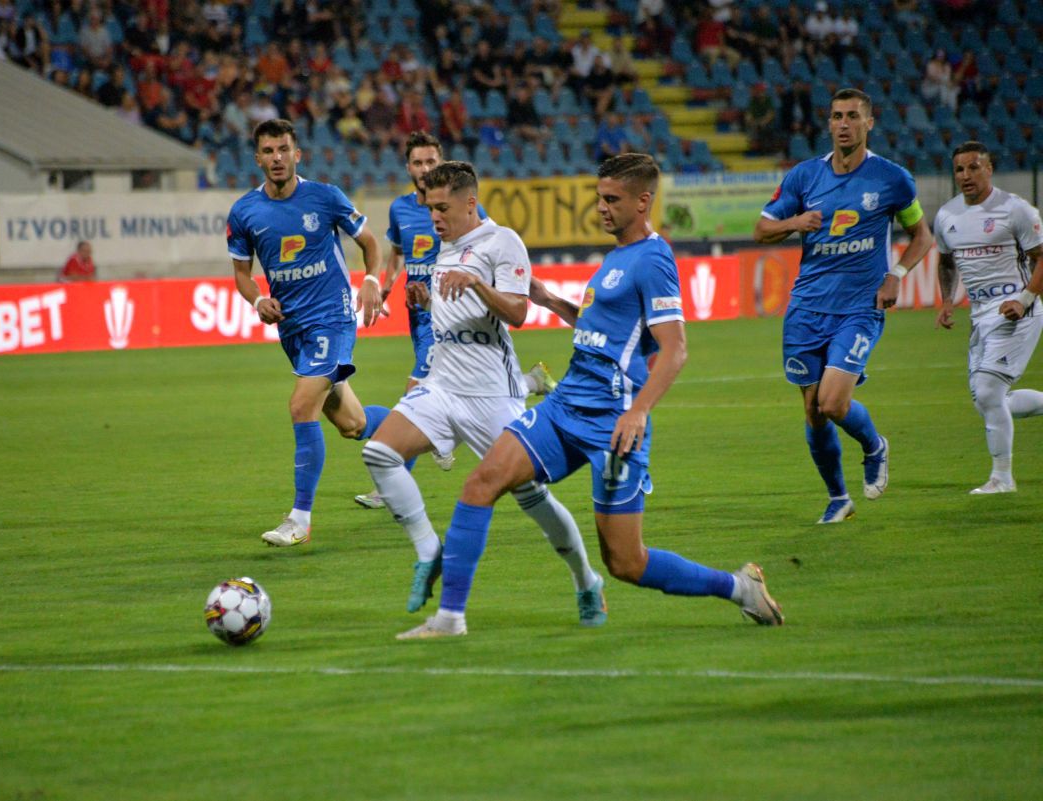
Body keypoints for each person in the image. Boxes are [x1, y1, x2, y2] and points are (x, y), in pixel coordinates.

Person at [398, 153, 784, 639]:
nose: (600, 208)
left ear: (643, 202)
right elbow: (599, 330)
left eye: (612, 200)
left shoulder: (653, 259)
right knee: (480, 484)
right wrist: (550, 300)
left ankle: (737, 588)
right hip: (565, 406)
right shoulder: (616, 257)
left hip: (613, 421)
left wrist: (639, 411)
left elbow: (674, 348)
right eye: (599, 198)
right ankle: (450, 618)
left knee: (625, 561)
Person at [362, 160, 606, 624]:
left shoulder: (501, 241)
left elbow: (516, 311)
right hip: (442, 384)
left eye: (442, 208)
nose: (434, 217)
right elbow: (460, 310)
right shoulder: (445, 247)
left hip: (493, 395)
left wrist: (476, 281)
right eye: (430, 208)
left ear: (470, 203)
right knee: (379, 453)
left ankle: (585, 580)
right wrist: (427, 299)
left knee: (531, 497)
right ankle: (428, 550)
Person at [753, 88, 934, 524]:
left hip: (858, 307)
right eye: (837, 116)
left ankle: (874, 445)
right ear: (829, 123)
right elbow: (762, 229)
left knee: (833, 403)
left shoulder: (892, 179)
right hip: (806, 309)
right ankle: (838, 498)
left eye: (853, 116)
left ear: (869, 123)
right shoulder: (803, 177)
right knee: (814, 411)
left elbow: (922, 236)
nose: (844, 123)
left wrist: (897, 275)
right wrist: (796, 221)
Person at [353, 131, 557, 510]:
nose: (425, 168)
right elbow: (397, 253)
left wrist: (513, 288)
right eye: (418, 162)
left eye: (432, 162)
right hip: (428, 316)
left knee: (414, 394)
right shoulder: (403, 211)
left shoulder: (473, 224)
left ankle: (406, 465)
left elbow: (495, 263)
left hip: (469, 340)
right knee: (420, 404)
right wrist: (392, 287)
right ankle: (524, 385)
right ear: (409, 168)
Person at [228, 118, 387, 546]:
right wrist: (257, 300)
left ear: (298, 155)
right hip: (292, 328)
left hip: (332, 319)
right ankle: (420, 435)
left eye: (284, 149)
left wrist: (371, 281)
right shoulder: (245, 211)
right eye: (268, 151)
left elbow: (370, 242)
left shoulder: (325, 197)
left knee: (301, 406)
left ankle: (299, 519)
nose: (277, 158)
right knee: (352, 424)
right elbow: (242, 274)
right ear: (257, 157)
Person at [933, 141, 1043, 494]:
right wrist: (947, 301)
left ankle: (1002, 477)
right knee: (991, 402)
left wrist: (1024, 300)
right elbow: (947, 261)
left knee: (988, 391)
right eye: (959, 170)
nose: (965, 175)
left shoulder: (1015, 210)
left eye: (973, 167)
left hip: (1017, 310)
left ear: (989, 169)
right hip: (980, 314)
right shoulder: (947, 216)